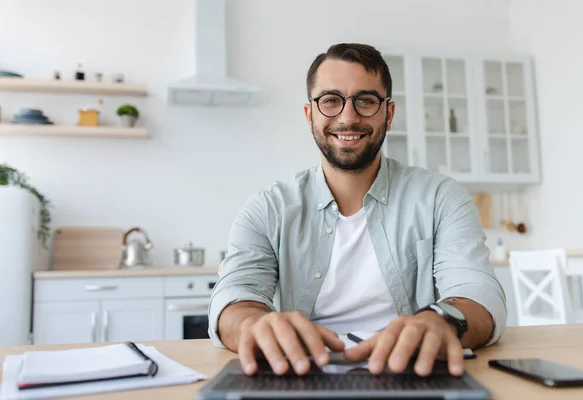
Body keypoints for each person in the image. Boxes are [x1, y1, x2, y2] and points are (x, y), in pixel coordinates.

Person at [208, 43, 506, 378]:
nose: (348, 118)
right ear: (310, 115)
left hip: (412, 373)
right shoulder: (268, 208)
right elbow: (234, 296)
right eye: (331, 101)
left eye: (365, 100)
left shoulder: (441, 198)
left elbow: (479, 296)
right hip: (303, 376)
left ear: (388, 114)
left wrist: (443, 322)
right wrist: (254, 325)